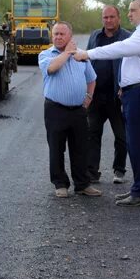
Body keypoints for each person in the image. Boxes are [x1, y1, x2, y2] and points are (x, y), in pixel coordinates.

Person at [74, 0, 140, 207]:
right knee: (135, 142)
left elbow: (119, 49)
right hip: (135, 93)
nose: (129, 14)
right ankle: (139, 190)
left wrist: (86, 54)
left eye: (133, 10)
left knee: (137, 144)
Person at [38, 21, 102, 199]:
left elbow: (92, 79)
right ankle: (60, 184)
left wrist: (88, 98)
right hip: (55, 109)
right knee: (56, 148)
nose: (58, 37)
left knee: (81, 148)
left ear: (70, 36)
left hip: (78, 111)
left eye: (62, 34)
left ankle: (82, 184)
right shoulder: (46, 55)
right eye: (55, 34)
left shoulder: (81, 56)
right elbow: (52, 69)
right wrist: (67, 53)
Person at [85, 5, 132, 184]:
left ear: (119, 18)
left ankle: (119, 170)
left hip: (117, 96)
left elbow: (132, 63)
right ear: (102, 19)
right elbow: (88, 61)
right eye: (105, 17)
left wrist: (125, 84)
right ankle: (92, 172)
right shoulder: (95, 36)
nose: (109, 20)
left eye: (112, 17)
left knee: (122, 136)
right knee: (92, 134)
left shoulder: (127, 37)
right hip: (96, 95)